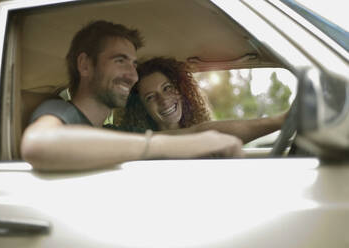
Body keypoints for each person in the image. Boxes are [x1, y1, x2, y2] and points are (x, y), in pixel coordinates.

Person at [20, 20, 244, 171]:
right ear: (85, 65)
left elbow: (195, 132)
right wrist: (161, 147)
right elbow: (37, 143)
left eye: (133, 64)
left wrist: (274, 121)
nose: (133, 76)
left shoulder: (110, 132)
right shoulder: (60, 112)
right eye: (120, 61)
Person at [116, 57, 287, 144]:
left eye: (167, 88)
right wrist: (280, 120)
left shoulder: (199, 132)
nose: (163, 100)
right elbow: (201, 134)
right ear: (142, 108)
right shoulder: (139, 141)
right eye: (150, 97)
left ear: (180, 90)